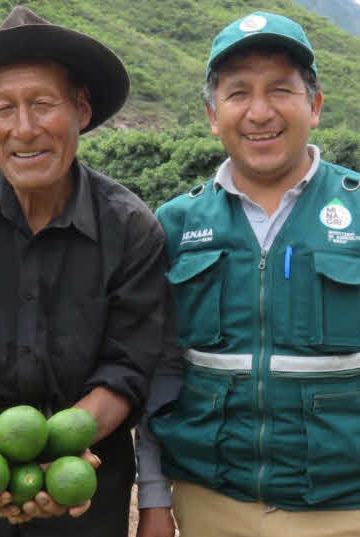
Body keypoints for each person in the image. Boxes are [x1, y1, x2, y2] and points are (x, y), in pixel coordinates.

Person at [0, 6, 168, 537]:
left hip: (83, 479)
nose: (24, 128)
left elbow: (127, 370)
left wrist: (60, 453)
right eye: (4, 108)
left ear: (81, 111)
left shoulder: (131, 228)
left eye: (43, 104)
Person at [136, 11, 360, 537]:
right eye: (238, 94)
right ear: (214, 115)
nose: (260, 112)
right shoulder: (174, 224)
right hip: (212, 504)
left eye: (280, 90)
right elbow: (153, 370)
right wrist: (151, 498)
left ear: (316, 106)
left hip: (347, 505)